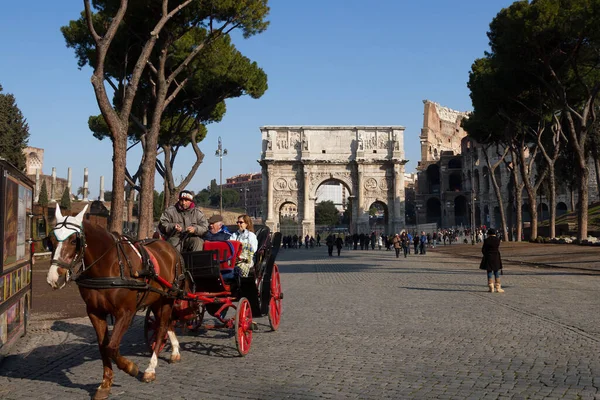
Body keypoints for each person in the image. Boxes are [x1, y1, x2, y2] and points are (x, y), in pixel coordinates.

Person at [480, 228, 504, 293]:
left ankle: (491, 286)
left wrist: (486, 254)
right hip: (496, 256)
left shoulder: (486, 240)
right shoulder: (497, 240)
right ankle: (498, 287)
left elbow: (483, 250)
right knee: (496, 271)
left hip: (488, 257)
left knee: (489, 271)